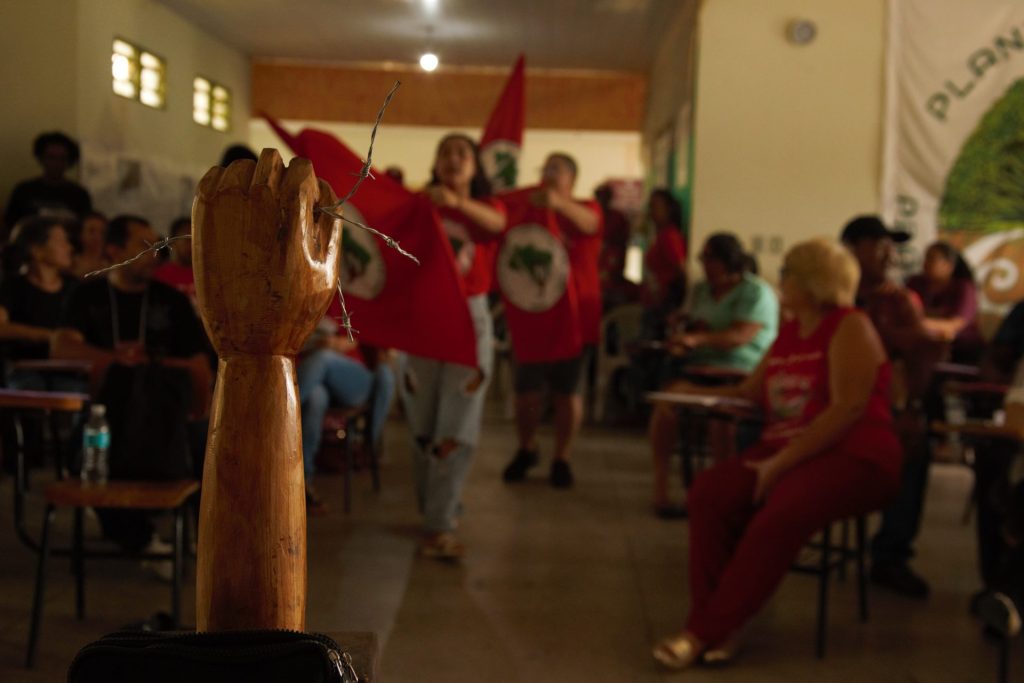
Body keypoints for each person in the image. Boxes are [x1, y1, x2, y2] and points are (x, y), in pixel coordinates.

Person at [652, 238, 901, 670]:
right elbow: (748, 394)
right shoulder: (788, 333)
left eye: (787, 272)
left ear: (811, 282)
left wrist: (778, 466)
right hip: (790, 450)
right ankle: (724, 625)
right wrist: (693, 393)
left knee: (783, 509)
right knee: (711, 492)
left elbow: (849, 409)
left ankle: (701, 630)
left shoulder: (850, 325)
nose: (780, 279)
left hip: (853, 454)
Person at [52, 215, 212, 561]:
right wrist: (113, 358)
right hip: (106, 406)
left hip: (167, 407)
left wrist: (158, 371)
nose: (155, 253)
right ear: (114, 250)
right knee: (91, 447)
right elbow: (62, 346)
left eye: (156, 245)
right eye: (143, 246)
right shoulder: (89, 293)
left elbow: (200, 364)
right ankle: (140, 539)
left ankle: (204, 541)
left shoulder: (172, 301)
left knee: (207, 440)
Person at [398, 134, 506, 560]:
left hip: (469, 321)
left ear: (476, 166)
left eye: (463, 153)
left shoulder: (486, 209)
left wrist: (456, 204)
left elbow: (498, 227)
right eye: (445, 152)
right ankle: (435, 510)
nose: (454, 159)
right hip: (423, 321)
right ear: (435, 162)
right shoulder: (418, 204)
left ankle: (439, 524)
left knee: (455, 427)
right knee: (422, 425)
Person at [841, 215, 942, 599]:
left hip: (882, 409)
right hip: (829, 405)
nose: (888, 254)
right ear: (852, 249)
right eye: (878, 244)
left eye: (890, 246)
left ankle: (891, 556)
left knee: (913, 449)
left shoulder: (899, 301)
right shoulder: (829, 297)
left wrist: (912, 407)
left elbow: (918, 356)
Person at [647, 232, 779, 517]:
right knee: (664, 409)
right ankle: (661, 487)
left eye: (710, 259)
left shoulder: (754, 292)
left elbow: (740, 335)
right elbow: (697, 320)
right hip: (701, 368)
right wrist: (682, 329)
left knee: (722, 424)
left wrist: (698, 339)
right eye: (703, 259)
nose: (705, 265)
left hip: (741, 372)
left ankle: (722, 493)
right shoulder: (702, 290)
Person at [503, 152, 602, 489]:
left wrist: (558, 204)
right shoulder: (528, 209)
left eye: (555, 170)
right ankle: (526, 447)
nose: (547, 175)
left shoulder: (586, 208)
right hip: (533, 316)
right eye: (544, 169)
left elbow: (590, 224)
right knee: (526, 392)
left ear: (571, 179)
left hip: (574, 320)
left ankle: (562, 456)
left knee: (566, 393)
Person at [298, 297, 395, 516]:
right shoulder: (307, 298)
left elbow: (378, 340)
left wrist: (337, 344)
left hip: (354, 379)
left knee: (323, 358)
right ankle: (303, 483)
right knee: (315, 399)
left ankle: (276, 417)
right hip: (316, 379)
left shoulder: (355, 294)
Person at [0, 216, 79, 388]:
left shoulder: (75, 288)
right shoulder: (12, 287)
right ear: (36, 250)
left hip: (68, 370)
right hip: (23, 369)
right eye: (61, 241)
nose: (70, 248)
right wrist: (49, 336)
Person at [905, 240, 983, 364]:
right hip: (921, 346)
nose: (925, 264)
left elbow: (954, 325)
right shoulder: (915, 283)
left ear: (949, 265)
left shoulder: (964, 288)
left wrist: (918, 324)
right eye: (925, 258)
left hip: (961, 352)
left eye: (931, 259)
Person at [3, 132, 93, 234]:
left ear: (69, 161)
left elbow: (85, 228)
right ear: (41, 159)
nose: (56, 164)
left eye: (62, 158)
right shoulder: (24, 190)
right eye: (51, 157)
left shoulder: (79, 194)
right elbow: (10, 225)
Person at [643, 188, 687, 328]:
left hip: (663, 304)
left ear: (668, 209)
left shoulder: (670, 236)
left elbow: (681, 269)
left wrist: (672, 303)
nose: (651, 212)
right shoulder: (660, 235)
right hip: (654, 302)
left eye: (655, 206)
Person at [153, 216, 196, 304]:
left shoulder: (207, 274)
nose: (192, 245)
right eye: (187, 240)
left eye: (195, 240)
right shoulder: (159, 276)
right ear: (172, 242)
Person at [69, 211, 108, 279]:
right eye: (91, 231)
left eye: (102, 232)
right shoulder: (69, 263)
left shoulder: (112, 265)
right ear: (80, 234)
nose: (97, 237)